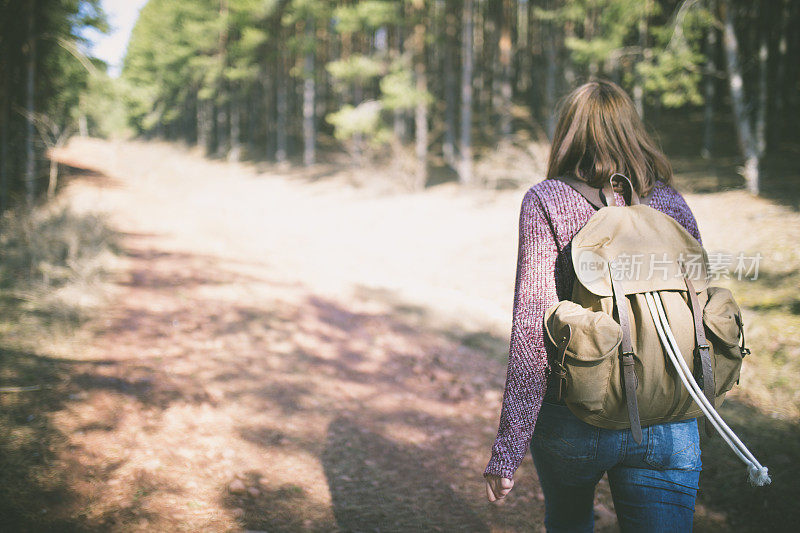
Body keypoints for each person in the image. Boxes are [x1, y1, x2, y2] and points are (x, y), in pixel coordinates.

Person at [483, 79, 704, 532]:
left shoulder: (547, 199)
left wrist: (508, 449)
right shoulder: (668, 201)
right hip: (667, 419)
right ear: (632, 130)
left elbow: (532, 327)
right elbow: (697, 309)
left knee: (568, 521)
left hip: (576, 416)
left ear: (568, 133)